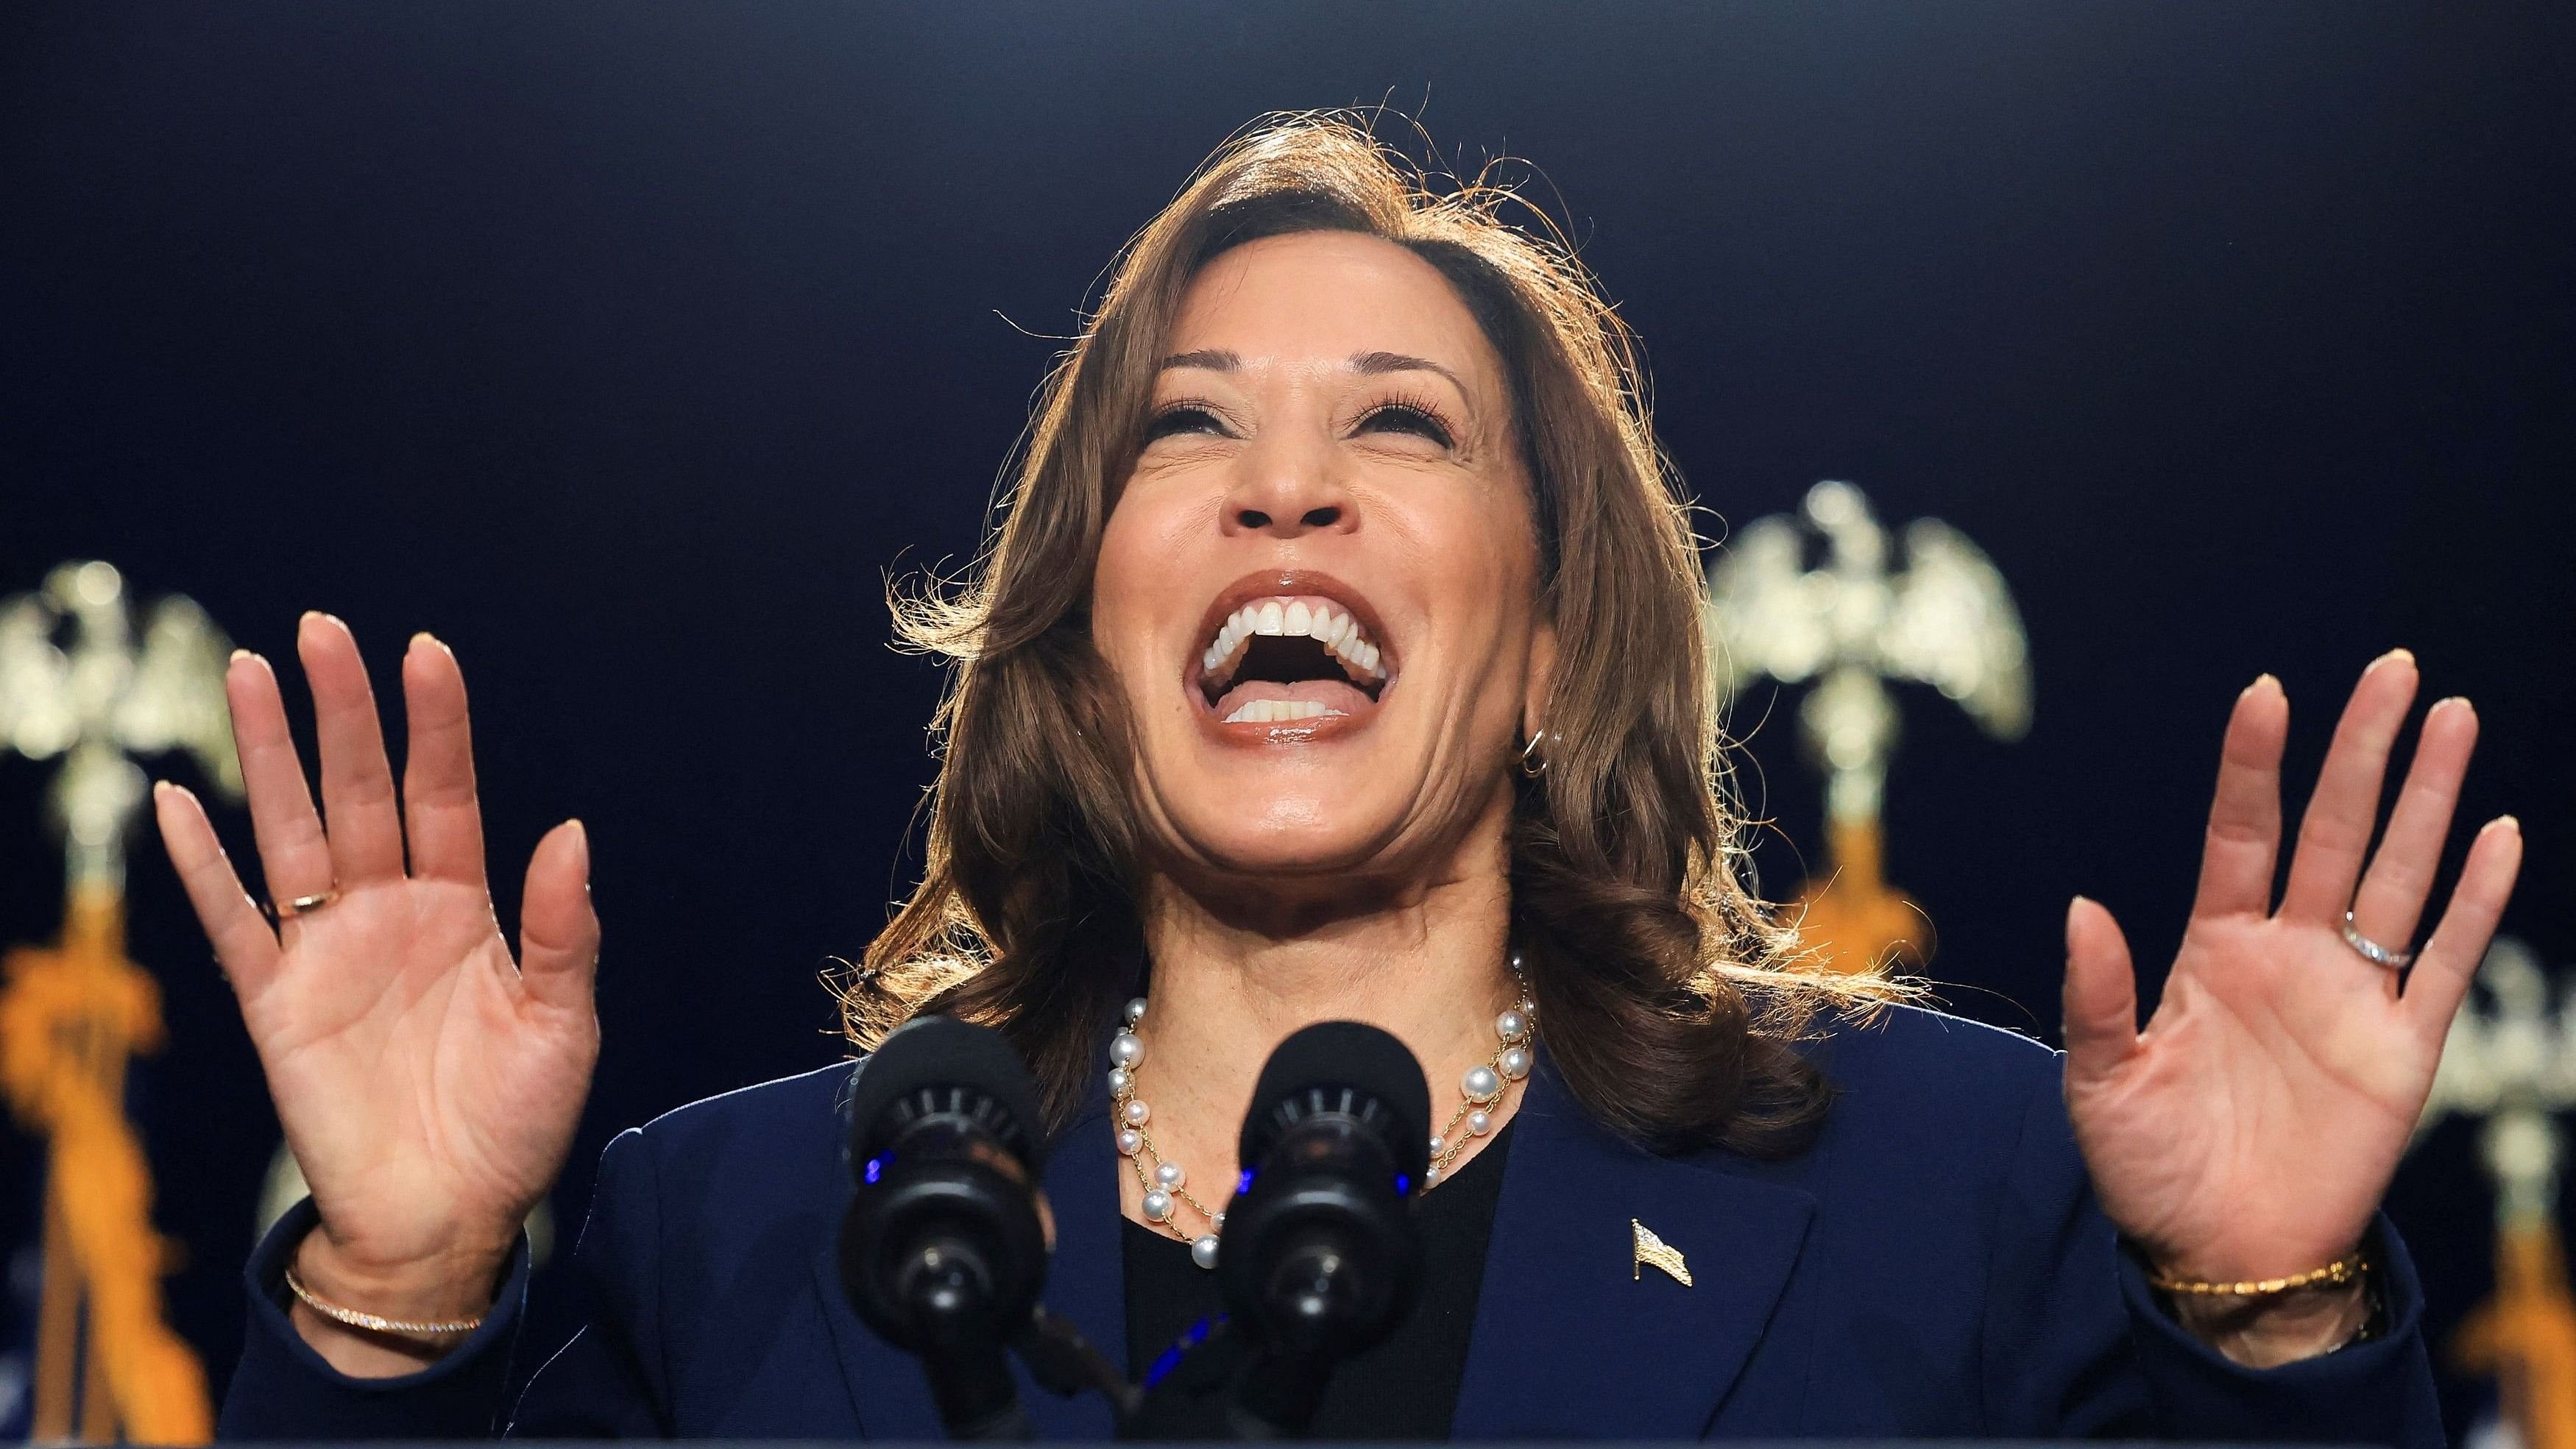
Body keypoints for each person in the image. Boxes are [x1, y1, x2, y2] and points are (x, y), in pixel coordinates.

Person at [160, 116, 2520, 1442]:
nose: (1284, 491)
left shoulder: (1948, 1184)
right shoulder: (740, 1237)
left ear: (1546, 645)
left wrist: (2275, 1320)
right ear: (1089, 648)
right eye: (1191, 431)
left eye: (1399, 426)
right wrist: (391, 1287)